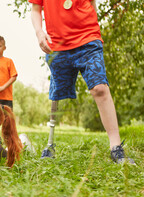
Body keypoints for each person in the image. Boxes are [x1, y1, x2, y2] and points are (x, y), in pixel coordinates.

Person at [29, 0, 134, 164]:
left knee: (99, 88)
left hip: (88, 39)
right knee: (57, 93)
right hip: (57, 44)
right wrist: (39, 32)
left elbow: (92, 4)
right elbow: (36, 8)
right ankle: (50, 144)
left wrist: (90, 27)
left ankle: (116, 147)